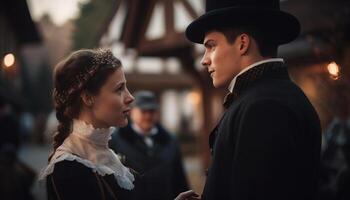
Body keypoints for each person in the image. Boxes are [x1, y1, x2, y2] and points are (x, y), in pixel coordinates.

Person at [183, 0, 322, 199]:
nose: (204, 59)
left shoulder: (263, 107)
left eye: (211, 46)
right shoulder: (267, 96)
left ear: (242, 43)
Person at [39, 49, 135, 200]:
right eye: (119, 89)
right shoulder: (69, 168)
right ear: (88, 98)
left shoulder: (109, 154)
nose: (130, 97)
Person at [109, 90, 189, 200]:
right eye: (143, 111)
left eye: (151, 111)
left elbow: (179, 178)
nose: (148, 116)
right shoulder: (115, 140)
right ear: (132, 111)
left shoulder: (170, 140)